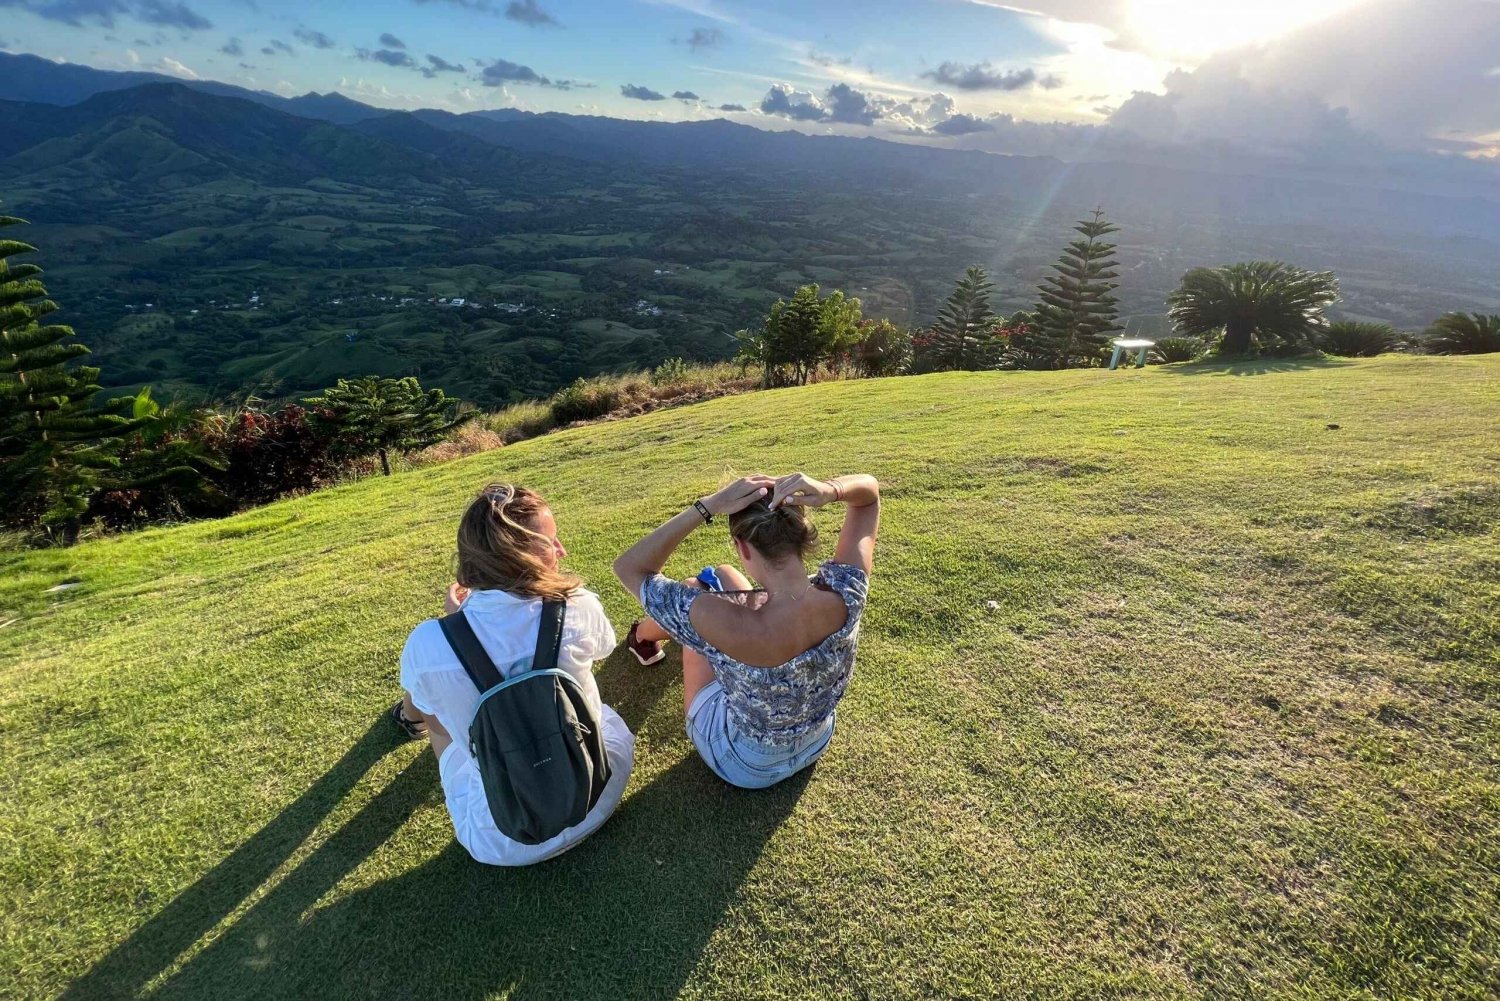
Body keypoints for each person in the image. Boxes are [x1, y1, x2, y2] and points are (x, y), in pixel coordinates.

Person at [394, 483, 635, 865]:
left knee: (439, 724)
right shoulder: (578, 606)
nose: (561, 552)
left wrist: (456, 629)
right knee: (600, 709)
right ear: (516, 554)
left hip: (503, 842)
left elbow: (440, 700)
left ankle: (409, 721)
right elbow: (603, 648)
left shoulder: (427, 645)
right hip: (598, 795)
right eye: (549, 542)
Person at [613, 472, 879, 789]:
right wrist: (829, 490)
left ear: (743, 547)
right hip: (817, 738)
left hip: (746, 764)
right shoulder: (847, 589)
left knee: (691, 601)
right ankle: (644, 636)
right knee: (723, 577)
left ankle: (641, 637)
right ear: (799, 534)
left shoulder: (718, 620)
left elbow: (629, 568)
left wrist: (707, 506)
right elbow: (869, 495)